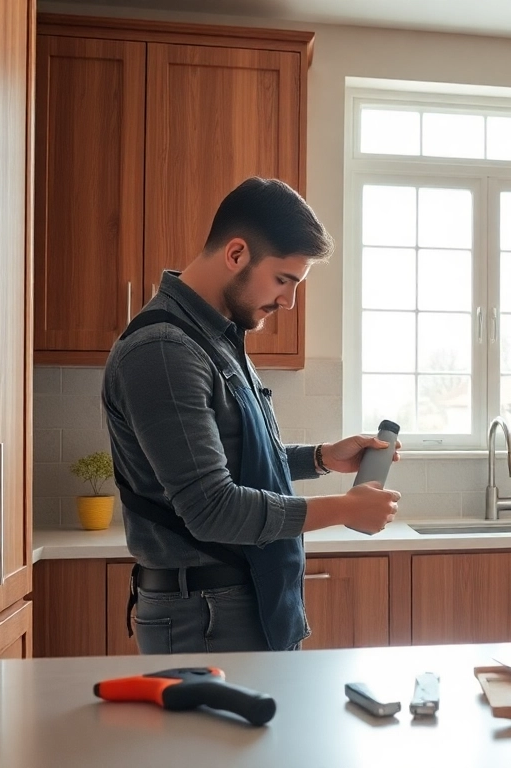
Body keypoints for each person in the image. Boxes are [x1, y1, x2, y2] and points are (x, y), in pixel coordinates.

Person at [102, 176, 401, 654]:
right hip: (204, 614)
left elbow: (237, 458)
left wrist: (322, 458)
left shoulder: (214, 338)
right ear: (236, 253)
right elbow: (212, 508)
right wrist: (344, 509)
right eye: (284, 279)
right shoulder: (164, 350)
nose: (289, 301)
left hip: (235, 602)